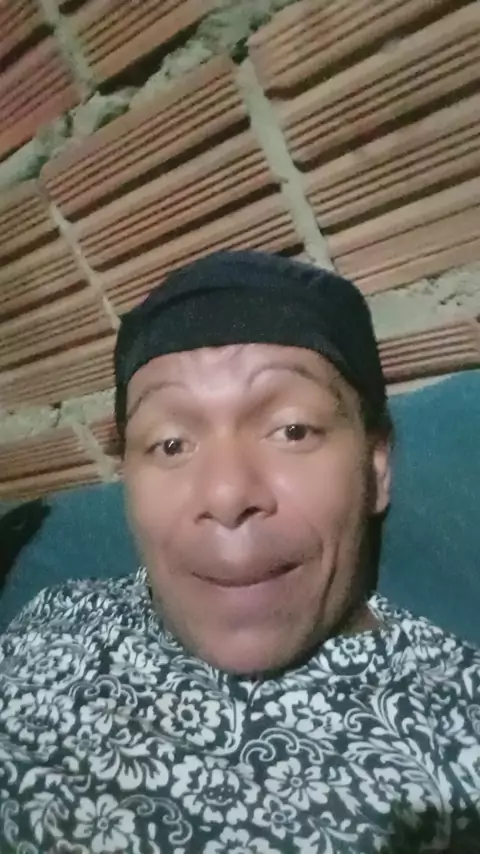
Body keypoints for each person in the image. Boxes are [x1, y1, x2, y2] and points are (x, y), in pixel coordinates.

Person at [0, 250, 478, 854]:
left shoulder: (456, 739)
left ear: (377, 468)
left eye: (293, 430)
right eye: (170, 444)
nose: (226, 495)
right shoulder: (56, 611)